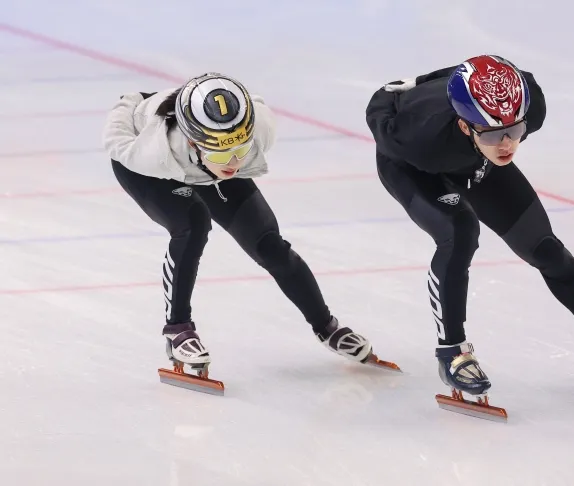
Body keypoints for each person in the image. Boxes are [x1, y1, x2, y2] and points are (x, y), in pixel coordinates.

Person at [365, 55, 574, 403]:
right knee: (460, 232)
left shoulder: (529, 105)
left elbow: (499, 71)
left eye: (515, 131)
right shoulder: (414, 136)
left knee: (545, 247)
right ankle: (452, 352)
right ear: (464, 125)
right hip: (414, 167)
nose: (508, 144)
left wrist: (438, 77)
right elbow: (379, 107)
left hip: (476, 161)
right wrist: (398, 88)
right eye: (495, 133)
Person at [102, 72, 397, 386]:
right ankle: (177, 330)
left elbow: (250, 106)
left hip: (200, 147)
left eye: (241, 151)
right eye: (222, 154)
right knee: (192, 226)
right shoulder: (154, 153)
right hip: (152, 169)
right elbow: (114, 140)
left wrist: (226, 153)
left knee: (269, 245)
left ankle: (327, 327)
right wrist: (131, 101)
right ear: (193, 142)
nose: (233, 163)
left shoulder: (257, 132)